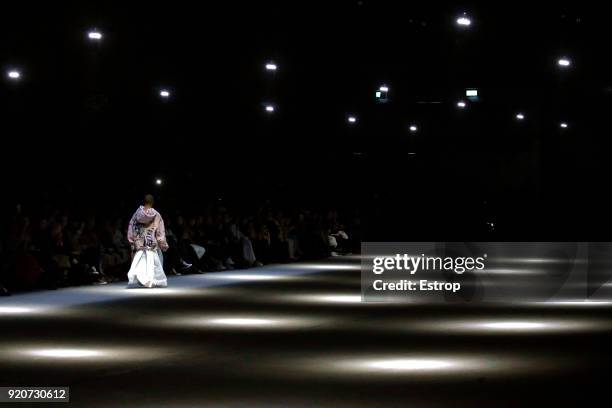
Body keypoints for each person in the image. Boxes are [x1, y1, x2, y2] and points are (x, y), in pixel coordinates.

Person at [126, 195, 169, 288]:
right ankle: (151, 280)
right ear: (152, 202)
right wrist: (163, 244)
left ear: (144, 201)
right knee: (153, 264)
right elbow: (160, 232)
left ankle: (142, 280)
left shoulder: (136, 214)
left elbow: (131, 228)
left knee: (140, 263)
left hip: (139, 243)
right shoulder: (156, 215)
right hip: (151, 243)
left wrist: (132, 242)